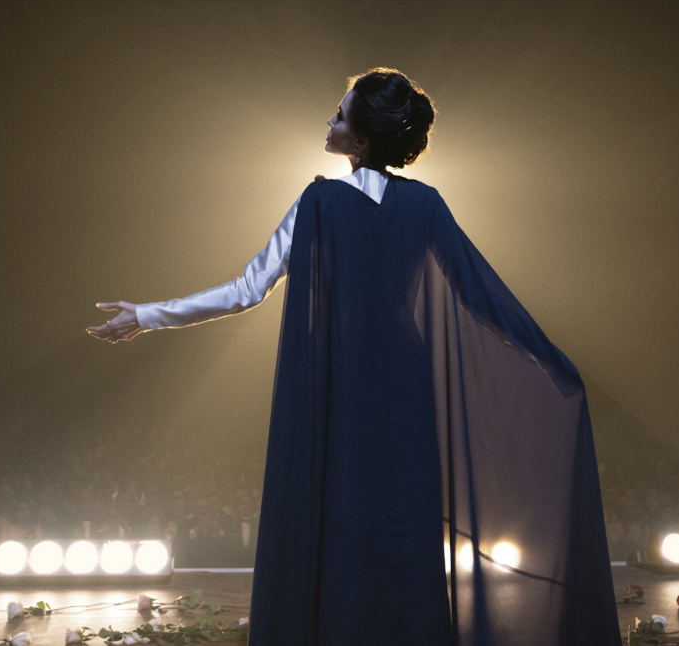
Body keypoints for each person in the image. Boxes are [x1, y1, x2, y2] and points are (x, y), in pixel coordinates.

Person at [87, 68, 620, 645]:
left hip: (340, 380)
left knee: (342, 516)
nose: (329, 120)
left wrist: (146, 315)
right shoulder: (424, 203)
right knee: (403, 520)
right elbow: (480, 293)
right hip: (405, 380)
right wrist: (549, 360)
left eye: (339, 115)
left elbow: (246, 290)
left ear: (360, 139)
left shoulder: (319, 201)